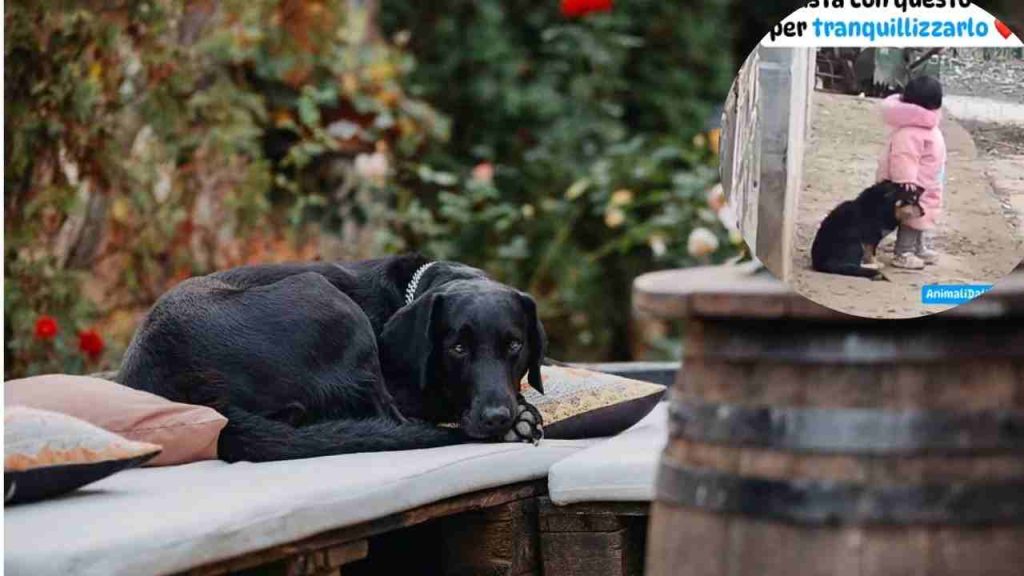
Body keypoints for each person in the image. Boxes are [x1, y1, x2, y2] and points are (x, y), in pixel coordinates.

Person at [875, 75, 947, 269]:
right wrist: (905, 181)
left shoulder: (925, 126)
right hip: (913, 186)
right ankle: (903, 252)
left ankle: (918, 247)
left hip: (925, 182)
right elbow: (904, 157)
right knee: (911, 218)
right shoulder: (910, 132)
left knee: (922, 216)